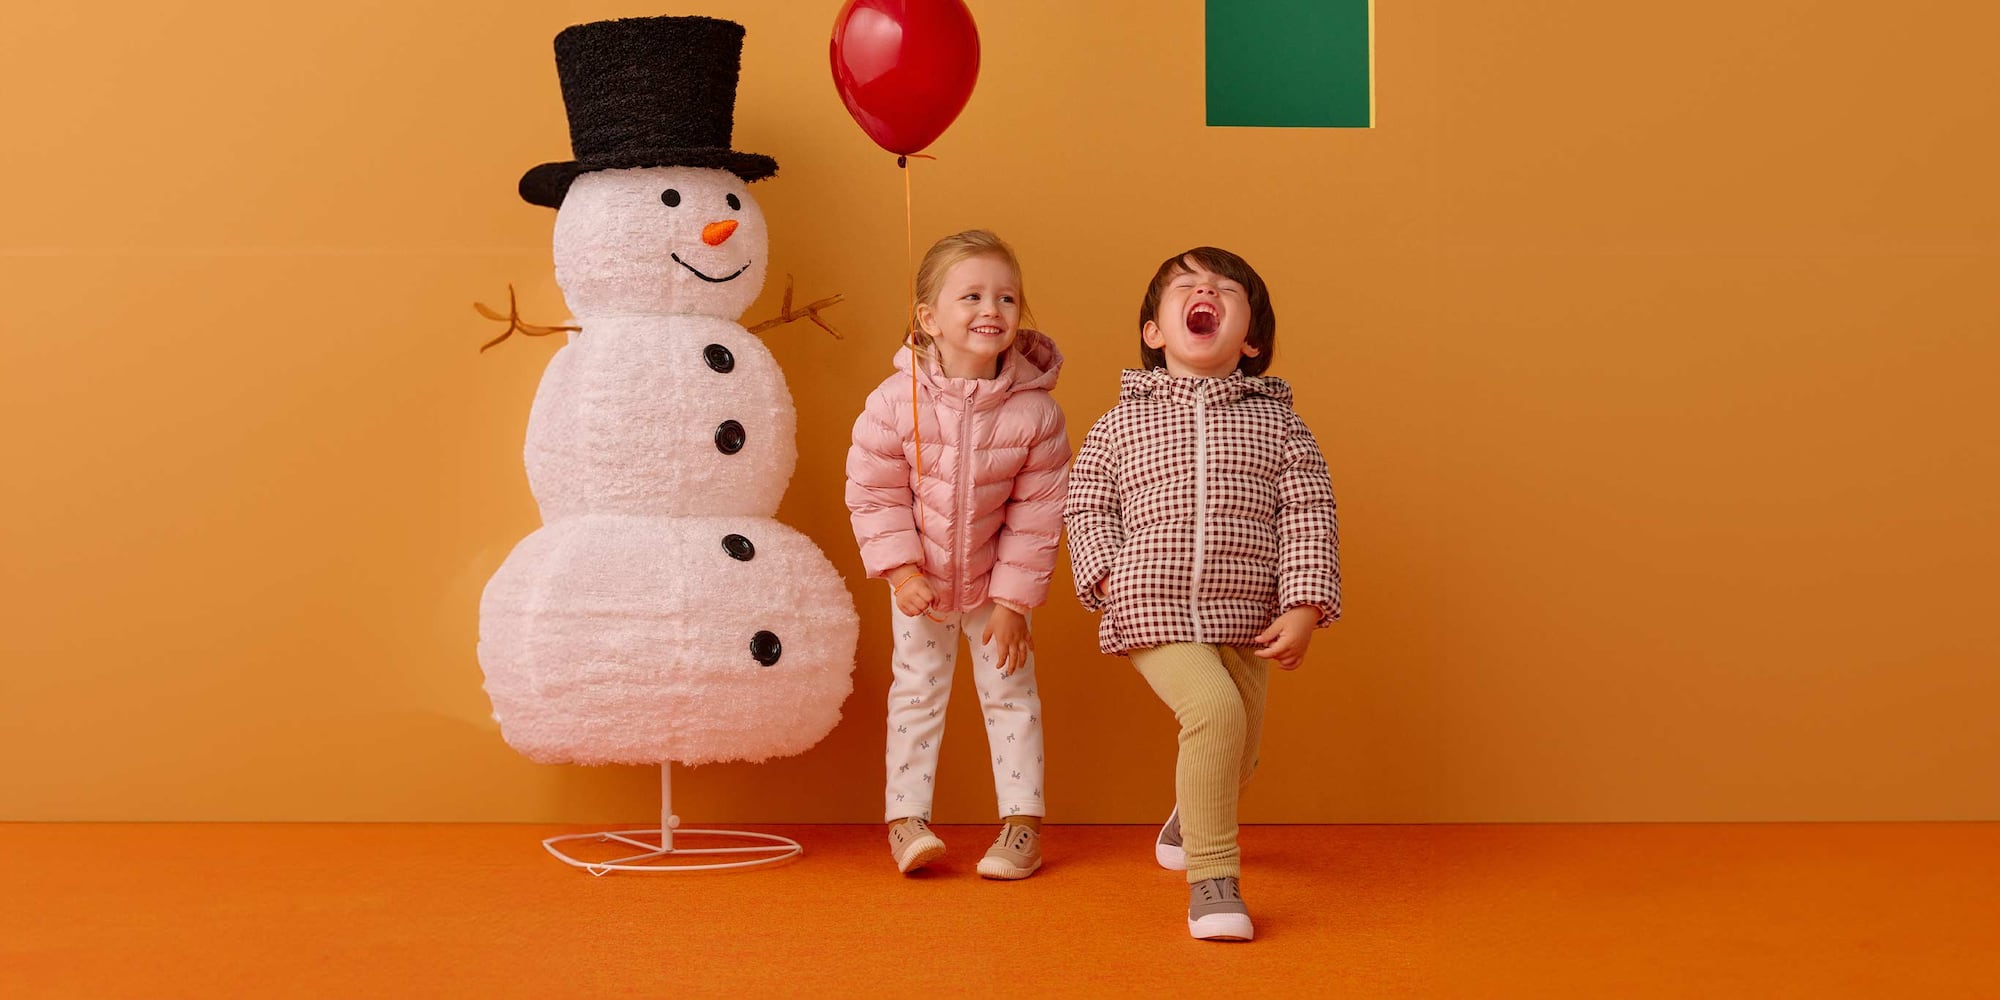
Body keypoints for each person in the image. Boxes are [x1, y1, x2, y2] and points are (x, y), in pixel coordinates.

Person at [1064, 246, 1340, 940]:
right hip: (1151, 607)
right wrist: (1104, 575)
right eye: (1185, 286)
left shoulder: (1280, 427)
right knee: (1215, 712)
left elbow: (1309, 514)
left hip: (1247, 613)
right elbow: (1087, 504)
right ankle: (1213, 879)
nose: (1204, 290)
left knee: (1238, 749)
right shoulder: (1119, 424)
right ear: (1156, 332)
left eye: (1225, 288)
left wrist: (1304, 604)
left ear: (1249, 339)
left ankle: (1194, 815)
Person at [846, 229, 1070, 879]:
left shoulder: (1037, 415)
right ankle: (906, 820)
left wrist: (1011, 604)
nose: (990, 310)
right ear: (928, 318)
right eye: (970, 296)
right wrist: (901, 570)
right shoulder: (895, 403)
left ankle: (1021, 826)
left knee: (1012, 695)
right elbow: (874, 491)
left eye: (1006, 297)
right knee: (915, 693)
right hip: (922, 585)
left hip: (996, 590)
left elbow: (1038, 517)